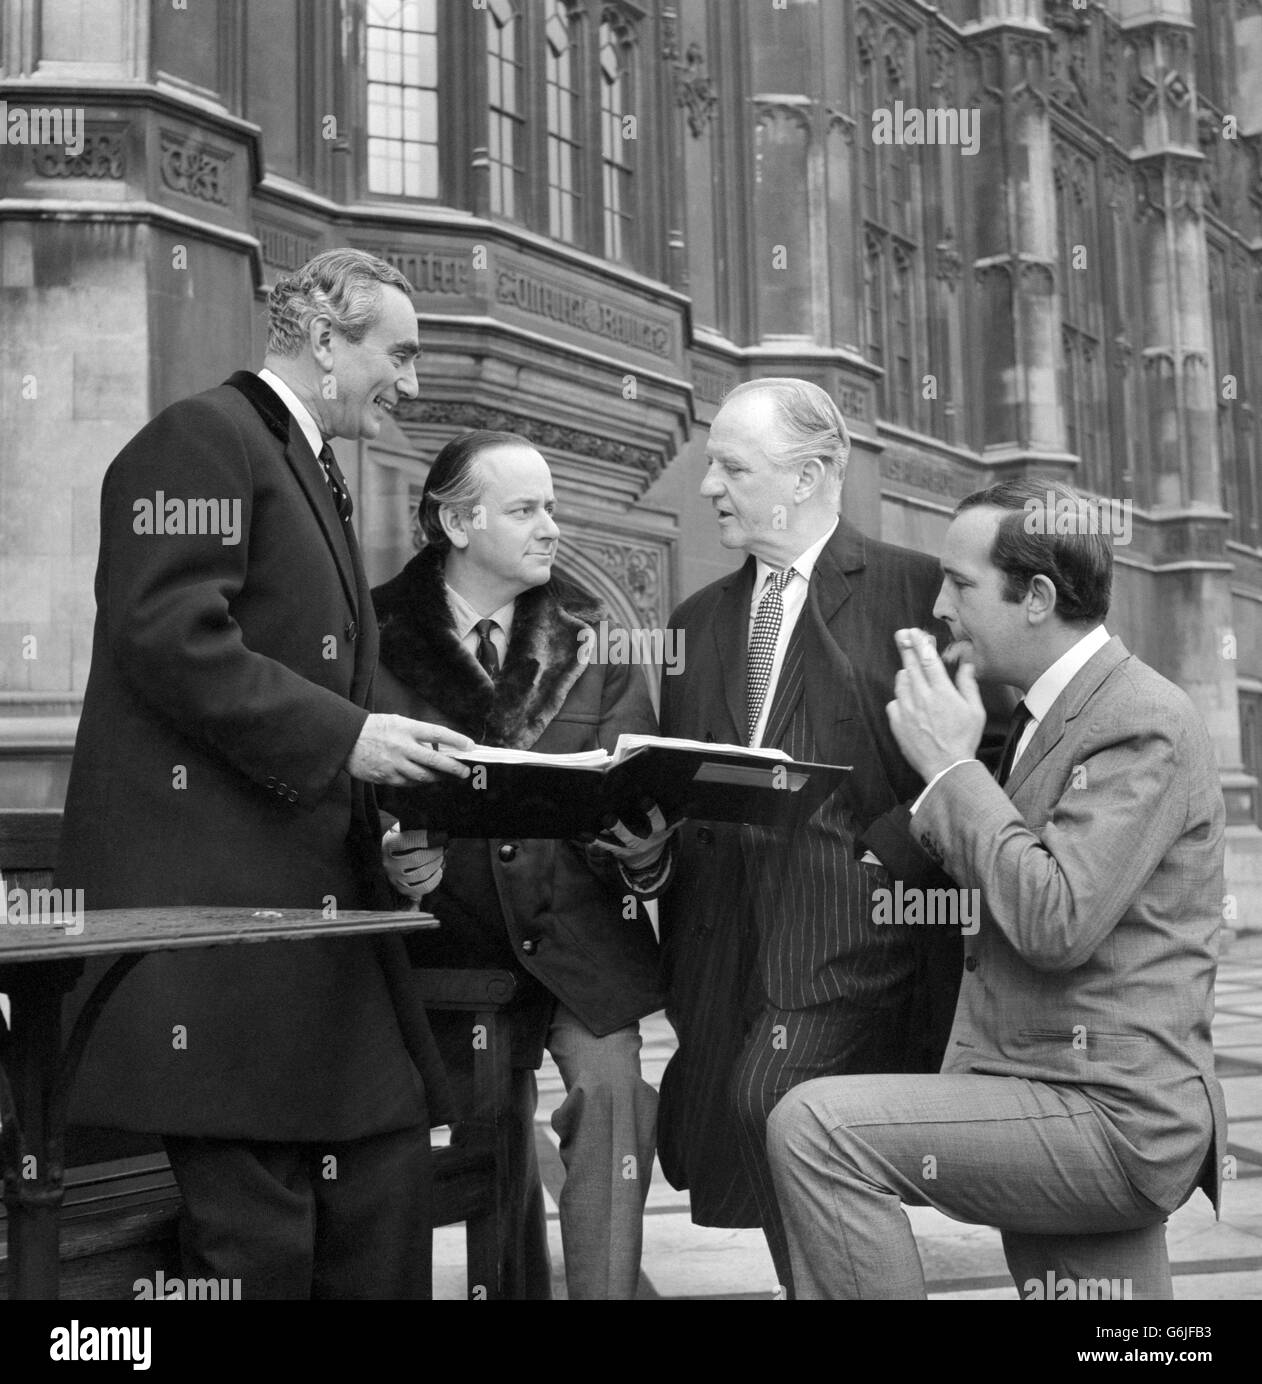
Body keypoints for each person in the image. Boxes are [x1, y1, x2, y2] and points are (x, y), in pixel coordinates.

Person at [56, 248, 474, 1299]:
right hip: (221, 949)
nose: (411, 383)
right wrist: (348, 740)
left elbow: (290, 678)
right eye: (400, 353)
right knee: (259, 1251)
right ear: (326, 342)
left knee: (384, 1191)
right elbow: (167, 639)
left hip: (310, 941)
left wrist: (386, 819)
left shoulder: (304, 463)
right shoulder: (204, 436)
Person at [767, 478, 1228, 1300]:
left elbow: (1055, 919)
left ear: (1038, 597)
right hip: (1053, 1087)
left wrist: (950, 767)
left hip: (1108, 1115)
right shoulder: (1048, 712)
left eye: (961, 584)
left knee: (816, 1127)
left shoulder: (1140, 717)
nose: (940, 605)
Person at [655, 377, 982, 1296]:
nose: (710, 484)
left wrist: (890, 853)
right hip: (723, 943)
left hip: (856, 934)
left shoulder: (920, 591)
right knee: (747, 1129)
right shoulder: (694, 622)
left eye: (731, 466)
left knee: (771, 1101)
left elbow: (985, 758)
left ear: (807, 476)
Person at [370, 430, 673, 1300]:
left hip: (578, 935)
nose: (553, 526)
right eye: (527, 509)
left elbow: (632, 795)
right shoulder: (373, 632)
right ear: (459, 523)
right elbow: (343, 791)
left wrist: (645, 853)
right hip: (446, 943)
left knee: (614, 1093)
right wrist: (390, 857)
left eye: (552, 505)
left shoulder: (591, 634)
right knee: (486, 1126)